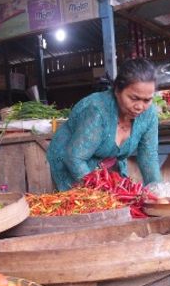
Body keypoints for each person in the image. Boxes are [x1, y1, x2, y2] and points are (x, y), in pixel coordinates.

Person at [47, 58, 162, 190]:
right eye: (134, 98)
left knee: (118, 197)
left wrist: (157, 191)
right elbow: (74, 158)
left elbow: (149, 156)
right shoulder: (98, 111)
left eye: (147, 100)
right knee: (86, 204)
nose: (140, 106)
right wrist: (99, 194)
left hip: (103, 163)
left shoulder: (149, 114)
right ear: (117, 90)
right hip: (70, 160)